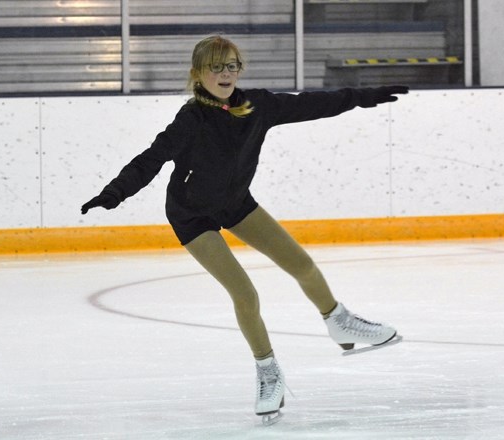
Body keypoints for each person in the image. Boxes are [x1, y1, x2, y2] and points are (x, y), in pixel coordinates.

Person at [82, 35, 407, 422]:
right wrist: (114, 193)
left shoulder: (257, 105)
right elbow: (149, 160)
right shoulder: (190, 119)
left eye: (232, 65)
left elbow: (312, 104)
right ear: (198, 73)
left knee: (301, 263)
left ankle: (339, 320)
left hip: (235, 201)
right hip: (192, 214)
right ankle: (268, 371)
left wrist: (361, 96)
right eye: (216, 67)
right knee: (246, 293)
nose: (225, 74)